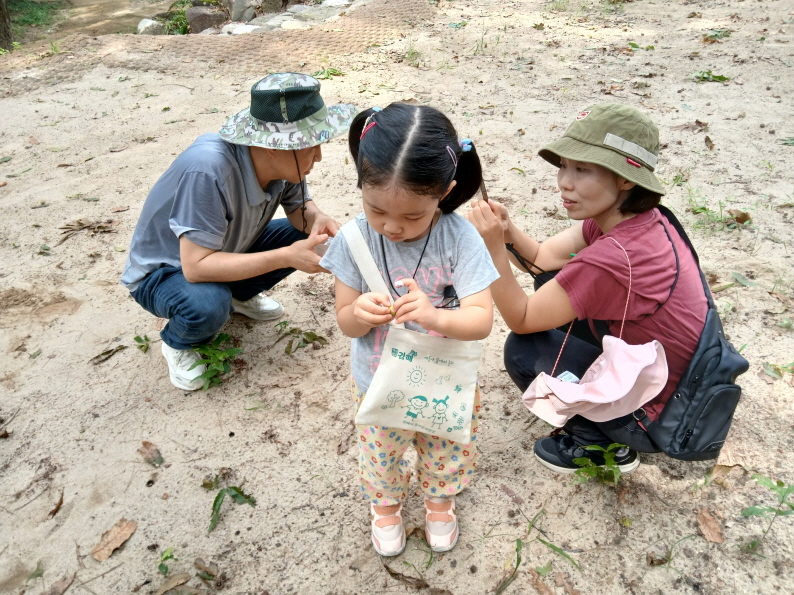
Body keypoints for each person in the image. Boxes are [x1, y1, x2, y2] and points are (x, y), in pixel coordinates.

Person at [467, 103, 708, 474]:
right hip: (682, 379)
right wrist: (507, 231)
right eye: (564, 165)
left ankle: (597, 442)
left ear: (626, 179)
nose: (565, 181)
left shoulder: (615, 257)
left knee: (523, 349)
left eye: (583, 169)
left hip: (662, 414)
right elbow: (544, 258)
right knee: (551, 282)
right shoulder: (634, 219)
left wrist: (492, 251)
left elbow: (522, 318)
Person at [320, 104, 498, 556]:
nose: (392, 226)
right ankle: (386, 508)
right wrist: (360, 311)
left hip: (444, 382)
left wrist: (434, 315)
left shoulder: (459, 238)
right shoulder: (354, 241)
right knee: (382, 455)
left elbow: (480, 321)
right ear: (359, 180)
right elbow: (344, 321)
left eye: (413, 217)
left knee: (443, 449)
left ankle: (439, 503)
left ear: (445, 192)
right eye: (375, 208)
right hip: (378, 382)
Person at [121, 73, 355, 390]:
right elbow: (195, 266)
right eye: (310, 145)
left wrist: (318, 219)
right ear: (275, 147)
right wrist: (286, 256)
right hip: (165, 272)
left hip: (226, 247)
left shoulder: (285, 164)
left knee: (306, 238)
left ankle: (241, 295)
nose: (318, 156)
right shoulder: (208, 169)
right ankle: (178, 343)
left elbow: (300, 209)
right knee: (208, 303)